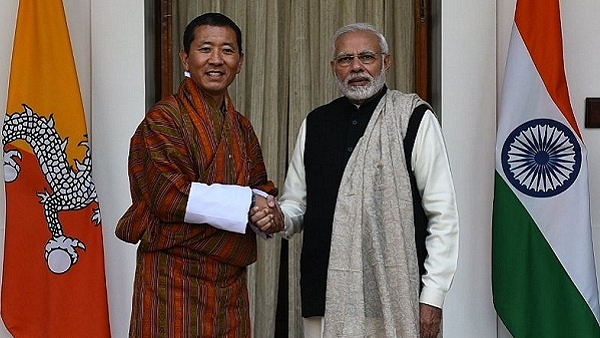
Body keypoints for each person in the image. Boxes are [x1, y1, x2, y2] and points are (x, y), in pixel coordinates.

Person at [251, 23, 459, 338]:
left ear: (386, 63)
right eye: (346, 59)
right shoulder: (316, 124)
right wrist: (280, 217)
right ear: (334, 68)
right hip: (325, 295)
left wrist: (433, 296)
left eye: (367, 57)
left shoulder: (413, 119)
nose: (357, 67)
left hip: (393, 298)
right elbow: (297, 205)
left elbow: (442, 215)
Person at [115, 12, 282, 338]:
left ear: (241, 61)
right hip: (172, 283)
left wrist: (269, 215)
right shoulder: (164, 119)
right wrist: (250, 204)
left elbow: (261, 188)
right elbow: (170, 198)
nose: (216, 60)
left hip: (229, 289)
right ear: (185, 57)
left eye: (228, 50)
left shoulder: (241, 126)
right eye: (206, 49)